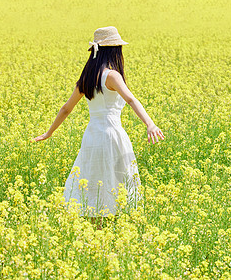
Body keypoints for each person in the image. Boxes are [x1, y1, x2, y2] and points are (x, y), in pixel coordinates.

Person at [32, 26, 165, 229]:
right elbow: (130, 99)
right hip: (112, 135)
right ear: (113, 50)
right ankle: (116, 232)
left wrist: (48, 133)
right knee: (117, 182)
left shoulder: (87, 78)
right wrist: (150, 124)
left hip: (92, 136)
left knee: (94, 181)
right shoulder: (112, 75)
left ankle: (98, 231)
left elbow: (66, 108)